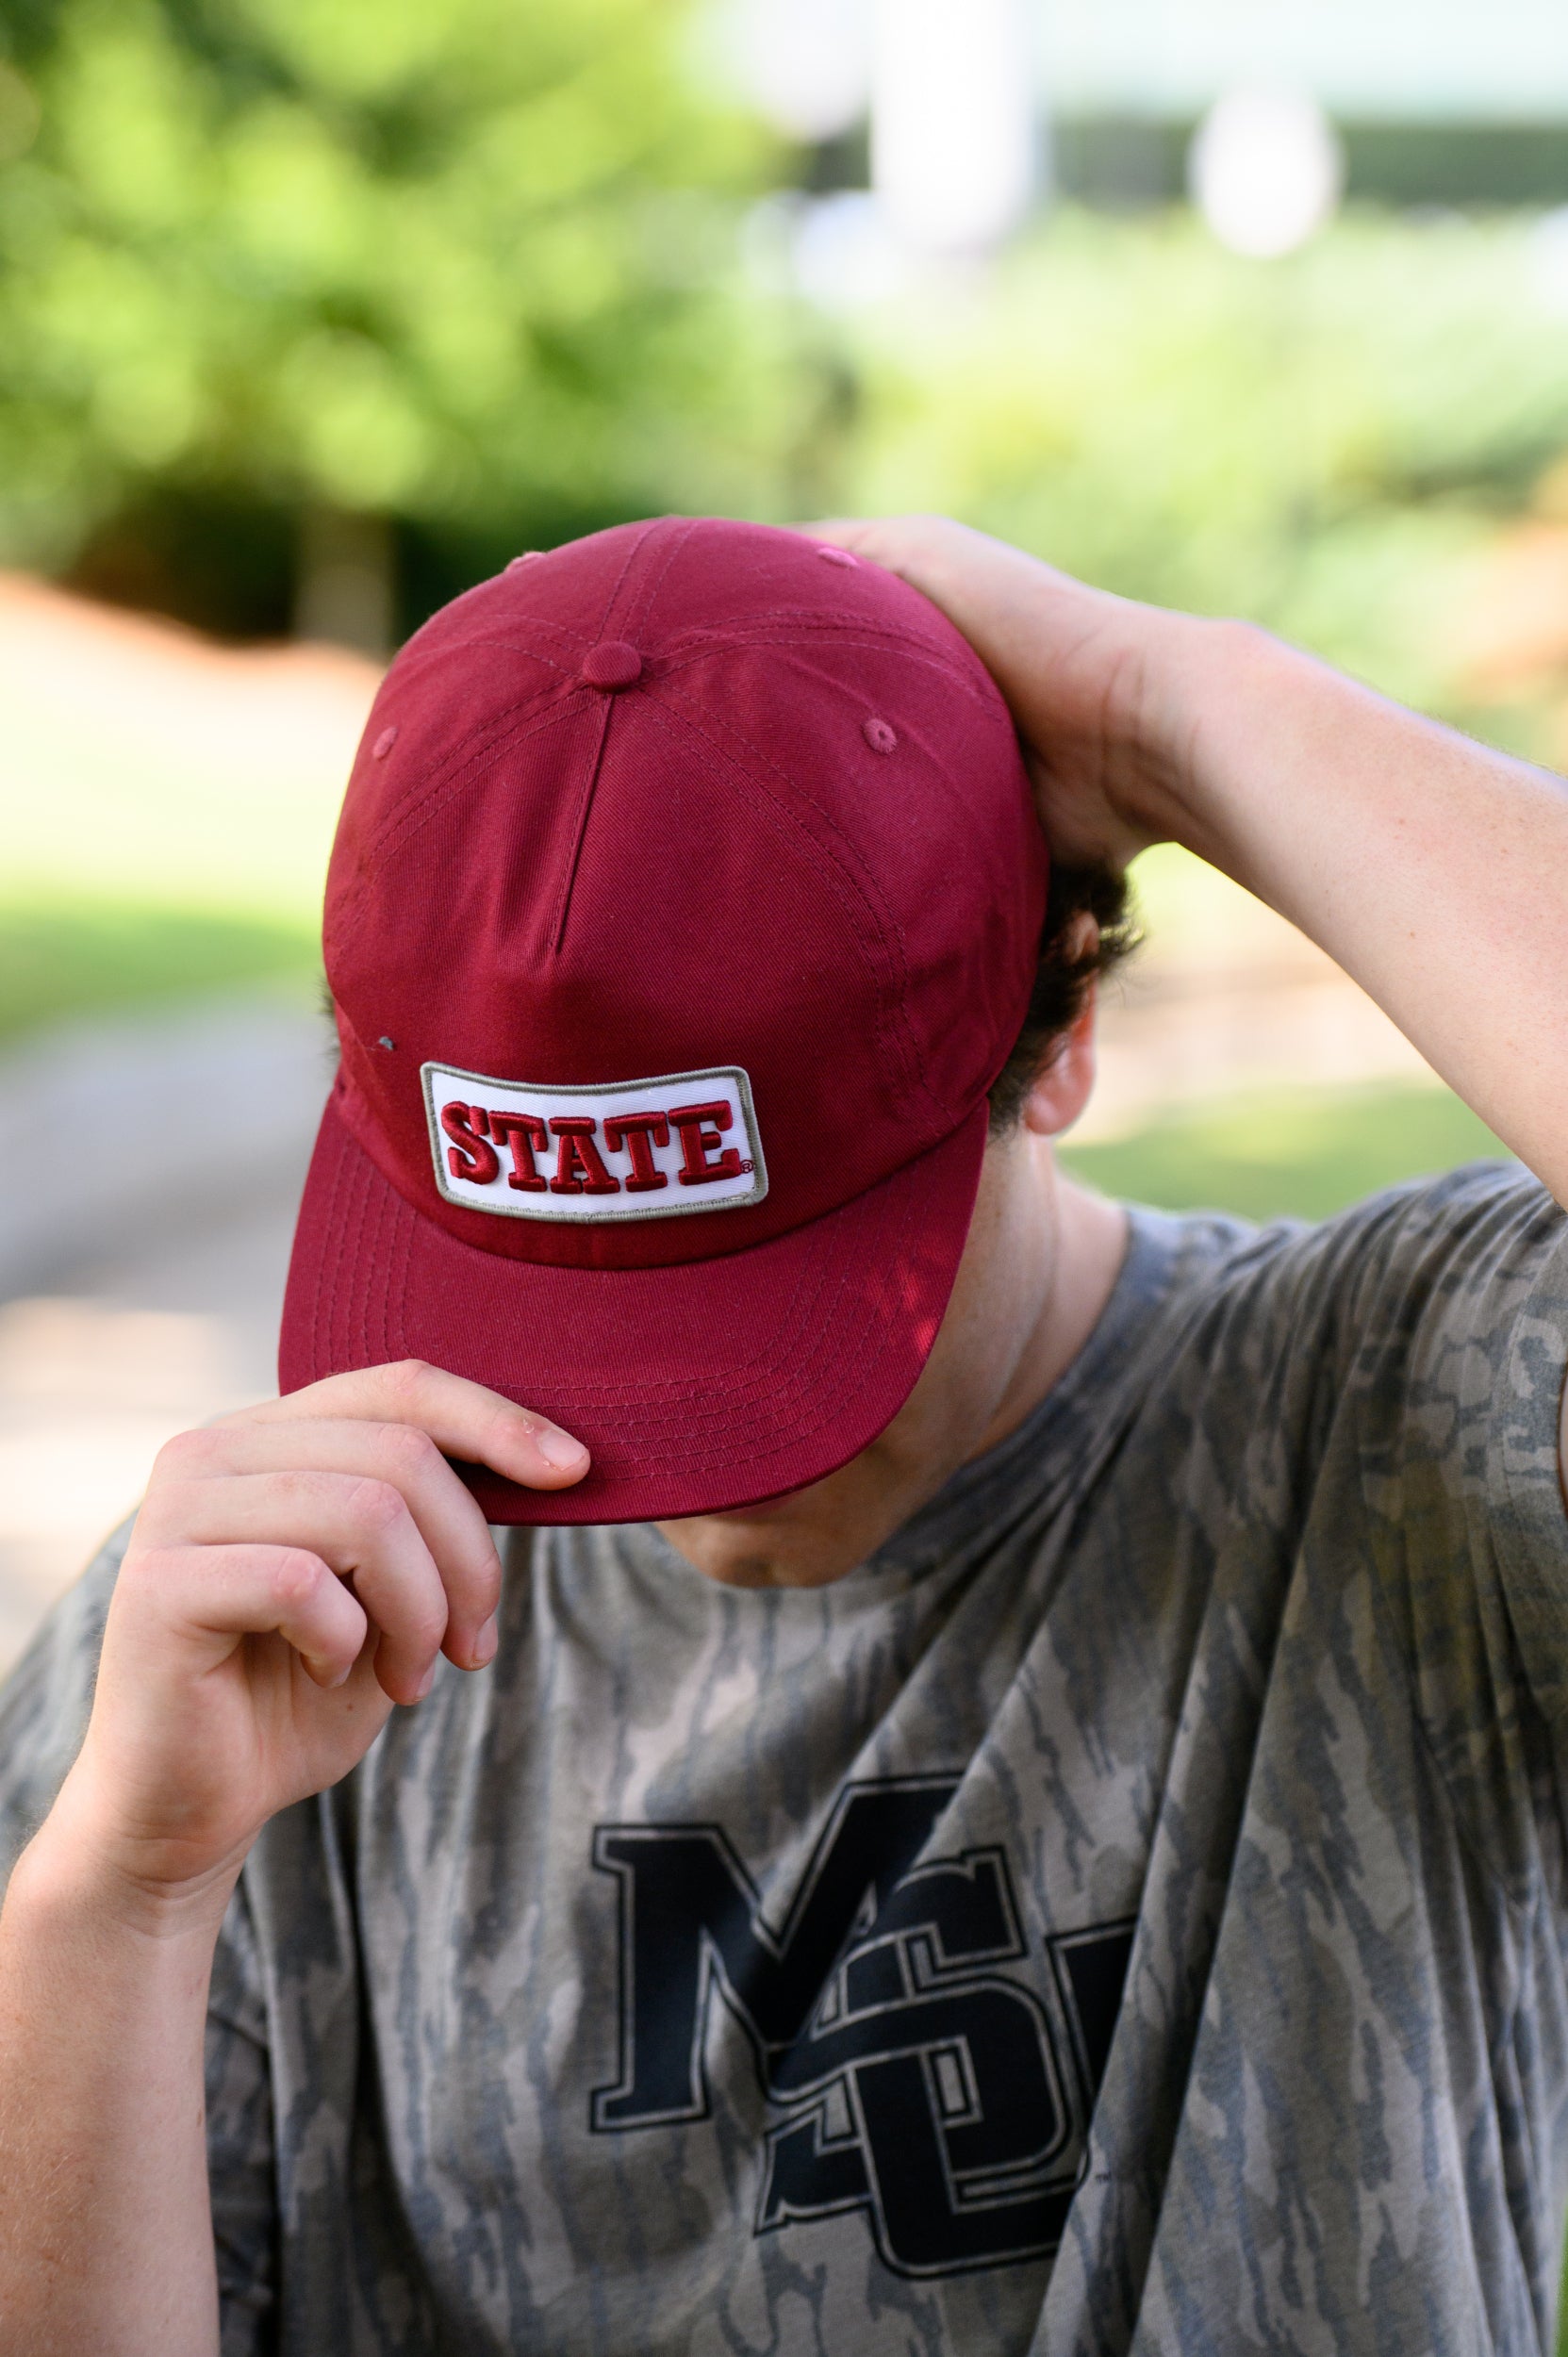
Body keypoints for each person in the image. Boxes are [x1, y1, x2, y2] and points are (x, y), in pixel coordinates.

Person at [0, 512, 1565, 2357]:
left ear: (1060, 1020)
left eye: (769, 1291)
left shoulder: (1398, 1424)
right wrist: (117, 1900)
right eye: (554, 1290)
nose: (642, 1451)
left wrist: (1173, 704)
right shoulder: (262, 1617)